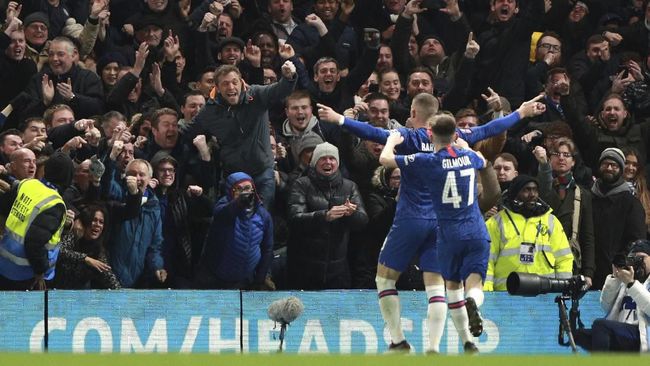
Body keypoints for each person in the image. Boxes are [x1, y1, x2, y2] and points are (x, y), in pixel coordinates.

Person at [317, 92, 546, 352]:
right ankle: (435, 348)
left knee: (385, 280)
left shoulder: (408, 137)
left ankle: (398, 340)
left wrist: (339, 119)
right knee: (436, 288)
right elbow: (489, 129)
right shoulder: (457, 138)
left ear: (414, 114)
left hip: (410, 219)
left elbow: (375, 134)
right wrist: (521, 112)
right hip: (441, 224)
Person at [379, 115, 488, 353]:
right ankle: (464, 341)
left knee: (385, 279)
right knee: (453, 288)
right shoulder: (470, 157)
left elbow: (385, 160)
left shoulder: (427, 161)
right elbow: (482, 160)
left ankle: (401, 342)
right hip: (475, 230)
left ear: (430, 134)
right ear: (455, 135)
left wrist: (392, 141)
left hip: (441, 230)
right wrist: (465, 146)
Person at [187, 60, 297, 208]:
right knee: (236, 222)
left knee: (262, 219)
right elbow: (187, 131)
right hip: (234, 176)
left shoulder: (257, 95)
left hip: (263, 172)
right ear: (217, 88)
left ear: (241, 82)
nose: (231, 87)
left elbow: (280, 90)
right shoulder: (210, 110)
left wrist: (289, 77)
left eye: (234, 82)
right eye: (225, 84)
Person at [287, 142, 368, 290]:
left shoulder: (349, 186)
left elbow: (363, 221)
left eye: (332, 158)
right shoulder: (301, 184)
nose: (328, 162)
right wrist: (325, 216)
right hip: (305, 267)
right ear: (314, 162)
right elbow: (294, 218)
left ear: (337, 162)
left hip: (339, 269)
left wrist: (352, 214)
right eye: (323, 158)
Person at [485, 174, 574, 291]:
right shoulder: (496, 223)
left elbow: (564, 259)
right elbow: (487, 261)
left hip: (543, 295)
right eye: (526, 190)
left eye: (535, 190)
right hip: (505, 295)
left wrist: (563, 290)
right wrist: (487, 295)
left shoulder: (550, 221)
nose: (532, 195)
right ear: (515, 193)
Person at [0, 152, 74, 290]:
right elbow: (34, 242)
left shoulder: (28, 184)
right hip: (27, 275)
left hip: (4, 264)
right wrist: (40, 272)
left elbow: (4, 207)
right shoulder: (55, 204)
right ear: (68, 178)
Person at [196, 172, 274, 290]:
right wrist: (238, 203)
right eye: (239, 189)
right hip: (214, 277)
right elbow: (223, 214)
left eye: (247, 188)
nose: (244, 192)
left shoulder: (263, 215)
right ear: (230, 191)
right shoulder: (222, 207)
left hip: (244, 279)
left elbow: (267, 248)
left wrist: (260, 279)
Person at [534, 139, 595, 287]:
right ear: (550, 159)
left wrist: (588, 272)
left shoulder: (582, 194)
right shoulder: (537, 188)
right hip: (541, 259)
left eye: (566, 154)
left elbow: (587, 236)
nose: (561, 158)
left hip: (571, 262)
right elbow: (544, 185)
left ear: (573, 161)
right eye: (556, 154)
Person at [574, 240, 650, 352]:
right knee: (579, 334)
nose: (637, 262)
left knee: (601, 327)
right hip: (623, 332)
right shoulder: (625, 281)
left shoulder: (630, 282)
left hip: (642, 336)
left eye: (641, 258)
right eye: (632, 259)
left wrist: (632, 284)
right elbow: (606, 306)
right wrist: (615, 278)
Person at [591, 148, 646, 289]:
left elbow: (636, 242)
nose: (609, 168)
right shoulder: (588, 197)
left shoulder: (631, 203)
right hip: (588, 274)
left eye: (614, 165)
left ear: (621, 169)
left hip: (616, 277)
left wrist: (620, 265)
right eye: (605, 164)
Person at [54, 205, 121, 289]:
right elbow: (59, 251)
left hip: (77, 296)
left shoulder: (98, 250)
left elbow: (109, 276)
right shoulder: (74, 235)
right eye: (94, 220)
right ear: (86, 221)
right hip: (55, 290)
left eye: (101, 222)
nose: (97, 225)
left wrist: (120, 293)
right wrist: (86, 259)